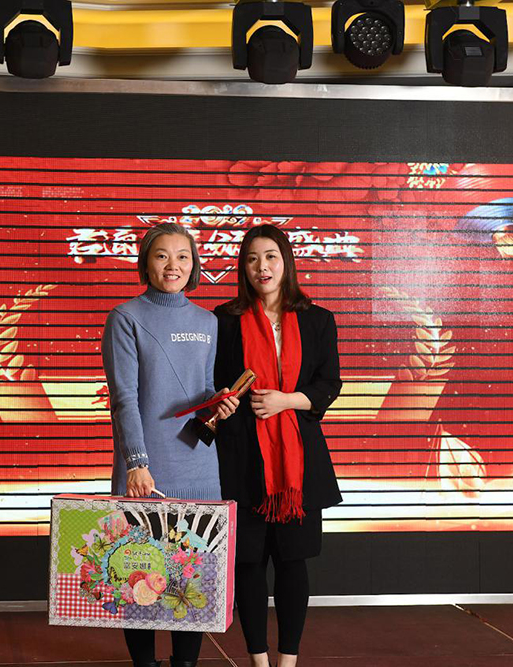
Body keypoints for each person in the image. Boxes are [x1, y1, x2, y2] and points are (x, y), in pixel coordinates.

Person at [102, 222, 239, 667]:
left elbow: (201, 390)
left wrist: (218, 407)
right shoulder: (125, 317)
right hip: (146, 468)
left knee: (191, 577)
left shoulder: (207, 321)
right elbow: (124, 399)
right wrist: (136, 463)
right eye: (162, 255)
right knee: (137, 574)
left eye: (183, 256)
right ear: (146, 263)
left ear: (194, 265)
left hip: (199, 466)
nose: (173, 265)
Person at [213, 224, 343, 667]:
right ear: (242, 267)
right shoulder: (224, 320)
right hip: (241, 459)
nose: (261, 267)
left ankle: (287, 661)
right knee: (247, 564)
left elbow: (329, 384)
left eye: (270, 256)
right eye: (252, 258)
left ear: (286, 261)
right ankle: (259, 660)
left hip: (298, 462)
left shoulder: (317, 319)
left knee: (292, 563)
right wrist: (221, 402)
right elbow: (212, 384)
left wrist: (286, 400)